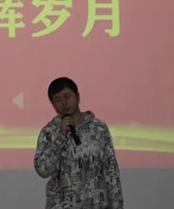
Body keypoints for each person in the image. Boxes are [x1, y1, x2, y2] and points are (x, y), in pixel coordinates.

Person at [34, 77, 123, 209]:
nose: (64, 103)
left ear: (78, 96)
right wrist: (61, 136)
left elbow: (111, 170)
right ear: (53, 104)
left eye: (67, 96)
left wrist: (117, 205)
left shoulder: (98, 128)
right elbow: (43, 170)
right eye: (58, 99)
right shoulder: (49, 132)